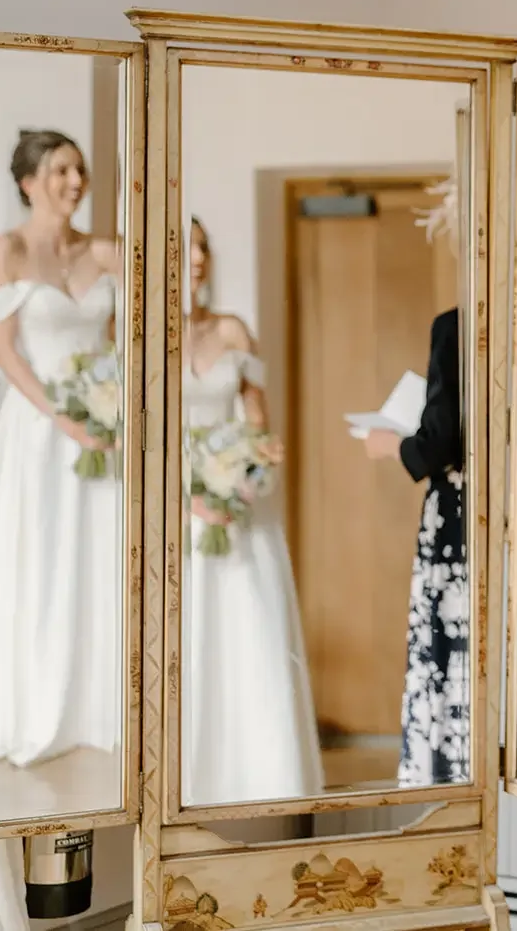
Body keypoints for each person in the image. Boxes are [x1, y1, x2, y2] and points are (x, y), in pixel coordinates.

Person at [0, 129, 124, 765]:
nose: (75, 182)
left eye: (79, 170)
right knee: (41, 554)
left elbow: (129, 341)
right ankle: (33, 700)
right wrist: (64, 417)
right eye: (61, 171)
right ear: (29, 182)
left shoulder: (107, 252)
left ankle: (99, 705)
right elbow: (1, 349)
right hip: (37, 428)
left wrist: (108, 407)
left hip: (101, 424)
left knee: (99, 556)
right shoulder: (9, 249)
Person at [179, 217, 324, 805]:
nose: (196, 258)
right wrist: (188, 497)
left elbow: (260, 426)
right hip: (174, 512)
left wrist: (243, 482)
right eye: (182, 247)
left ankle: (268, 777)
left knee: (251, 632)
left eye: (203, 247)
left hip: (236, 507)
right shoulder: (129, 335)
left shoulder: (235, 330)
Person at [362, 244, 466, 786]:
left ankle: (445, 768)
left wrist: (391, 445)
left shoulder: (456, 326)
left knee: (447, 644)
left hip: (458, 517)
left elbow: (438, 443)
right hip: (507, 514)